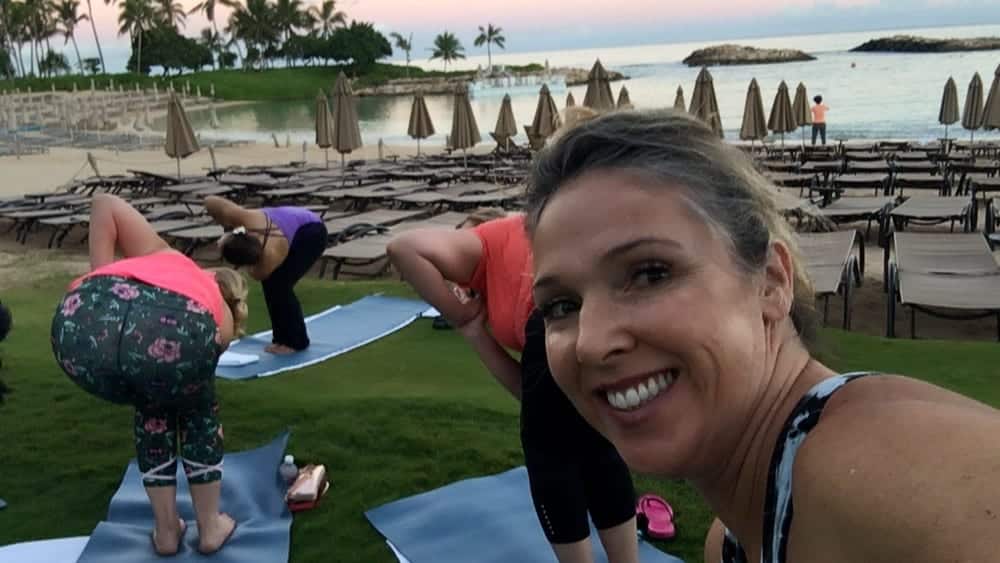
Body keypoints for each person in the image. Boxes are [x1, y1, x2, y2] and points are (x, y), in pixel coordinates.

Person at [524, 109, 1000, 563]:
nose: (590, 342)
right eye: (562, 306)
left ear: (771, 281)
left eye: (650, 274)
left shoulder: (879, 480)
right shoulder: (730, 538)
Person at [387, 213, 640, 563]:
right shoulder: (515, 256)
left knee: (551, 458)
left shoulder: (483, 241)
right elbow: (534, 390)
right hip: (591, 315)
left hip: (556, 316)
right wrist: (474, 330)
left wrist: (457, 315)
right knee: (597, 447)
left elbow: (403, 247)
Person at [51, 194, 249, 556]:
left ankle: (166, 529)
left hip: (80, 325)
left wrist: (100, 279)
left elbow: (103, 203)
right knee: (198, 411)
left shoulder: (162, 254)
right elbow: (192, 381)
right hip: (172, 334)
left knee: (152, 408)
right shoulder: (213, 306)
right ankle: (210, 527)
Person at [205, 197, 328, 355]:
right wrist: (223, 220)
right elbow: (210, 201)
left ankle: (297, 342)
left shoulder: (272, 253)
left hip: (311, 232)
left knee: (281, 287)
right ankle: (280, 339)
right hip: (289, 224)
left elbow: (258, 275)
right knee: (273, 286)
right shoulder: (240, 217)